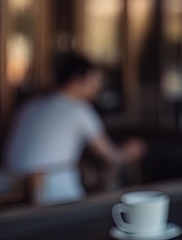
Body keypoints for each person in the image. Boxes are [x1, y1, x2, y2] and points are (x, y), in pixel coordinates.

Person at [2, 53, 146, 205]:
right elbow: (112, 157)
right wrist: (130, 151)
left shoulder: (29, 106)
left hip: (9, 190)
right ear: (79, 79)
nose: (98, 87)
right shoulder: (79, 109)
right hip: (51, 196)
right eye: (95, 80)